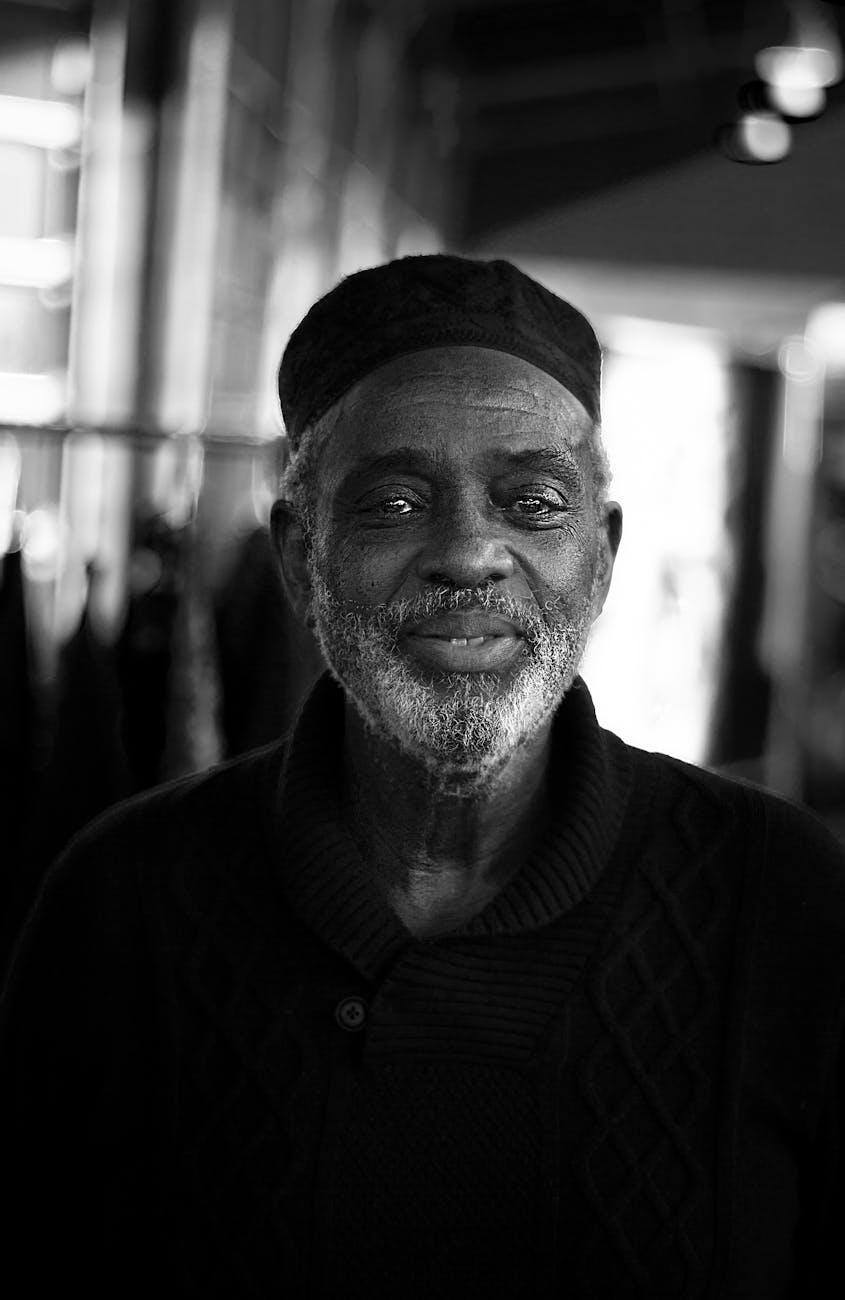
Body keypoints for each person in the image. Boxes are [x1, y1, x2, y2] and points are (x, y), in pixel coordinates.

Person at [1, 254, 844, 1300]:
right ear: (299, 557)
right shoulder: (122, 897)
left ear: (601, 557)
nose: (469, 553)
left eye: (533, 502)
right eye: (395, 504)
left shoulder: (782, 900)